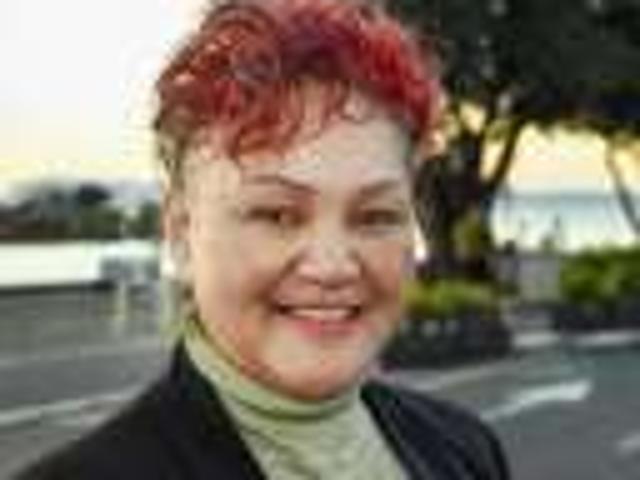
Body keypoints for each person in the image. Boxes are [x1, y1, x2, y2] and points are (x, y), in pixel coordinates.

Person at [17, 0, 510, 478]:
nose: (332, 266)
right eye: (276, 215)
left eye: (374, 216)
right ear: (182, 234)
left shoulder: (465, 449)